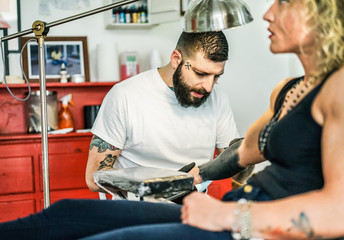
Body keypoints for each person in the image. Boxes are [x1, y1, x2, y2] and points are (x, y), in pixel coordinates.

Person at [0, 0, 343, 239]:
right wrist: (189, 179)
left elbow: (337, 211)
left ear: (322, 15)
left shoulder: (338, 88)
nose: (268, 13)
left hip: (247, 222)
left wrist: (226, 214)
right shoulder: (287, 90)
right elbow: (239, 155)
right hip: (222, 207)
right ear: (177, 58)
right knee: (69, 213)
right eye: (200, 74)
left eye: (284, 1)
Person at [85, 31, 240, 194]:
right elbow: (94, 179)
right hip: (139, 209)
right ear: (176, 59)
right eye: (200, 74)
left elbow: (237, 168)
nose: (208, 87)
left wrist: (255, 146)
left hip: (194, 209)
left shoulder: (217, 97)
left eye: (216, 77)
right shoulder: (125, 95)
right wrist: (162, 185)